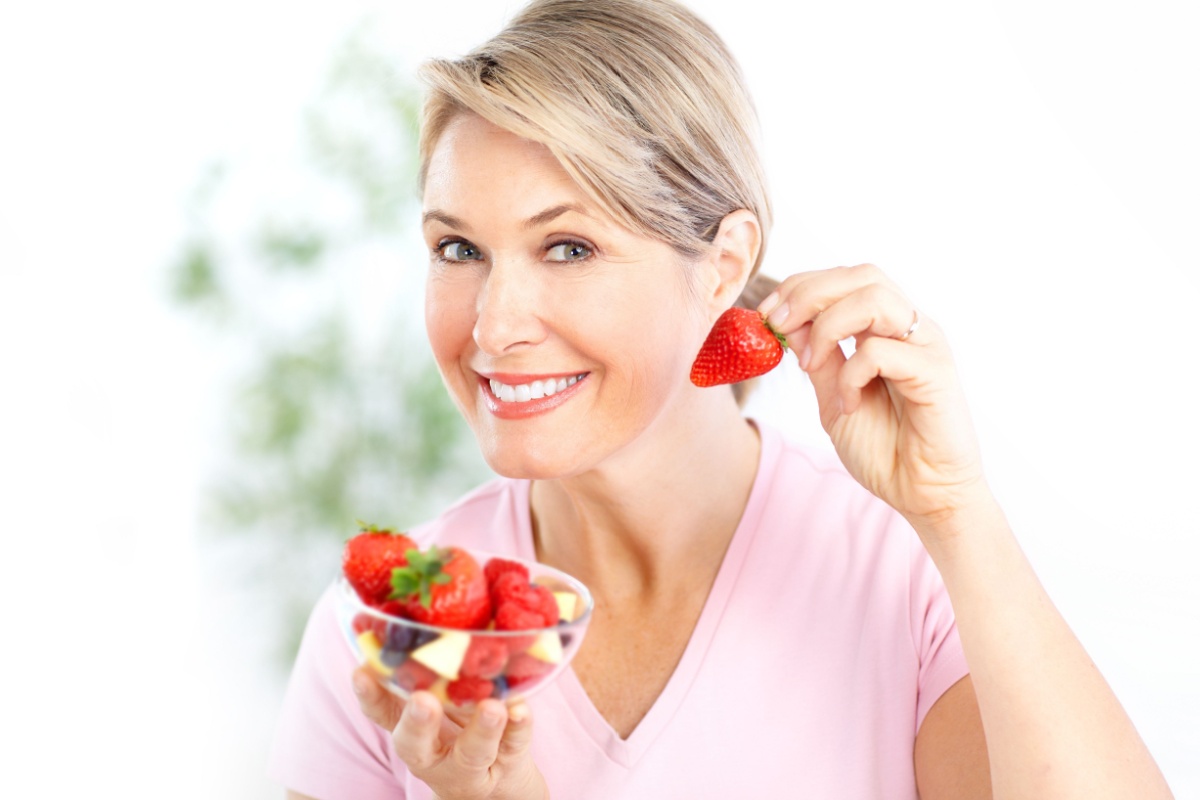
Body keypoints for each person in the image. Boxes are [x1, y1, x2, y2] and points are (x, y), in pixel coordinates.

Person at [267, 1, 1174, 797]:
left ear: (724, 265)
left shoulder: (904, 578)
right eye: (458, 249)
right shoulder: (389, 632)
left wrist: (957, 513)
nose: (494, 326)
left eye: (569, 247)